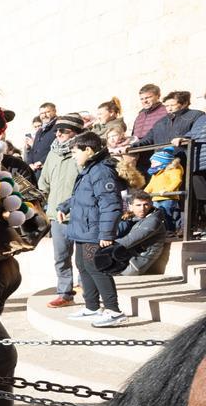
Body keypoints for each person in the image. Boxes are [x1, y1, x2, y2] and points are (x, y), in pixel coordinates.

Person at [58, 132, 126, 327]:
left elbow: (110, 204)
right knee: (83, 265)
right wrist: (65, 206)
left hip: (95, 230)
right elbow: (83, 196)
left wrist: (107, 233)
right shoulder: (90, 169)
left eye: (75, 152)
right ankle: (92, 306)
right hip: (83, 228)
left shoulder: (102, 171)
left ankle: (114, 311)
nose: (73, 156)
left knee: (97, 268)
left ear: (88, 150)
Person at [39, 114, 87, 308]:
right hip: (56, 215)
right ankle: (65, 293)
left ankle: (88, 289)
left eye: (63, 131)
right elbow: (44, 182)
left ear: (75, 133)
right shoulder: (52, 153)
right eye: (56, 130)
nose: (58, 134)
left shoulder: (84, 152)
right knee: (61, 257)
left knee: (83, 257)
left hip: (81, 213)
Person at [116, 192, 167, 275]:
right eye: (138, 205)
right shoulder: (134, 219)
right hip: (128, 258)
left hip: (135, 264)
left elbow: (128, 241)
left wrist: (103, 243)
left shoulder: (153, 221)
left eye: (145, 204)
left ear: (151, 204)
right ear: (131, 206)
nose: (142, 208)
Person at [135, 91, 204, 148]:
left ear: (185, 104)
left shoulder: (197, 115)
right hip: (162, 160)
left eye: (172, 105)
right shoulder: (160, 122)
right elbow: (148, 139)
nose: (169, 108)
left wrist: (186, 138)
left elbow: (198, 132)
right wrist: (132, 146)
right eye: (167, 106)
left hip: (186, 158)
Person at [25, 102, 58, 173]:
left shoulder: (58, 127)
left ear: (54, 111)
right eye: (41, 113)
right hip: (36, 170)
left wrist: (41, 161)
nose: (44, 115)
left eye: (47, 112)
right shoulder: (39, 131)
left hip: (50, 169)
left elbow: (57, 148)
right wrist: (30, 163)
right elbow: (33, 149)